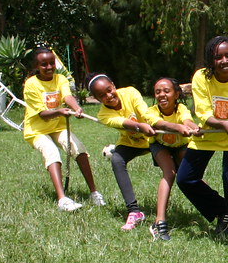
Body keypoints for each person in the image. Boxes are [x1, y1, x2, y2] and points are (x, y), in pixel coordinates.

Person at [176, 36, 228, 254]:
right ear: (211, 60)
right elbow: (203, 112)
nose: (225, 60)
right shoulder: (201, 78)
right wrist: (221, 123)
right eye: (218, 57)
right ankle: (223, 210)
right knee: (185, 178)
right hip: (209, 134)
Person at [21, 46, 105, 212]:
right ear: (36, 67)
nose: (49, 67)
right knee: (52, 152)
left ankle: (94, 193)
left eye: (52, 63)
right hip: (36, 130)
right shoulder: (31, 84)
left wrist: (76, 108)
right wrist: (59, 111)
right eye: (44, 64)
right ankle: (62, 199)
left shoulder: (60, 79)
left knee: (78, 148)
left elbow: (67, 96)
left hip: (58, 126)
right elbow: (43, 114)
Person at [90, 74, 161, 231]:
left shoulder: (130, 92)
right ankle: (134, 211)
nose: (109, 96)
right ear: (97, 99)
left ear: (114, 86)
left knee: (177, 168)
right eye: (102, 95)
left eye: (109, 90)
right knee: (116, 160)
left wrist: (154, 124)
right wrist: (139, 127)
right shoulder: (103, 115)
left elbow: (144, 111)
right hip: (131, 142)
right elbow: (123, 122)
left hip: (154, 137)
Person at [142, 77, 198, 241]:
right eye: (158, 92)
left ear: (176, 94)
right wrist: (178, 128)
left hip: (181, 145)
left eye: (167, 91)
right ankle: (159, 222)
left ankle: (221, 210)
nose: (161, 95)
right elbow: (159, 124)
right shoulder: (151, 111)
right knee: (169, 173)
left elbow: (187, 120)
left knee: (192, 176)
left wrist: (194, 128)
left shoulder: (181, 109)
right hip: (160, 145)